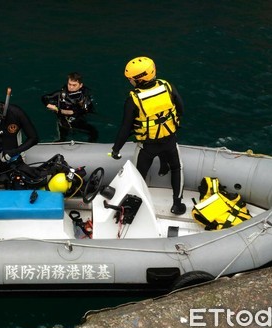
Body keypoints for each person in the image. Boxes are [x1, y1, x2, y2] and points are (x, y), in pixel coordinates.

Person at [110, 56, 187, 215]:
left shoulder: (133, 99)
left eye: (131, 79)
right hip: (169, 141)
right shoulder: (167, 86)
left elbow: (125, 128)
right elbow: (180, 109)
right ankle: (177, 205)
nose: (129, 81)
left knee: (138, 176)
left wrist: (116, 149)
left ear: (139, 80)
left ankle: (135, 208)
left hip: (147, 147)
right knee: (177, 168)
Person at [41, 72, 99, 142]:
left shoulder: (84, 97)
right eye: (69, 84)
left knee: (94, 133)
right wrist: (50, 106)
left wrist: (72, 112)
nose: (71, 87)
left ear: (80, 85)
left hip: (78, 120)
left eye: (74, 85)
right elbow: (44, 98)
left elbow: (87, 109)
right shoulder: (61, 94)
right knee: (62, 138)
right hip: (63, 120)